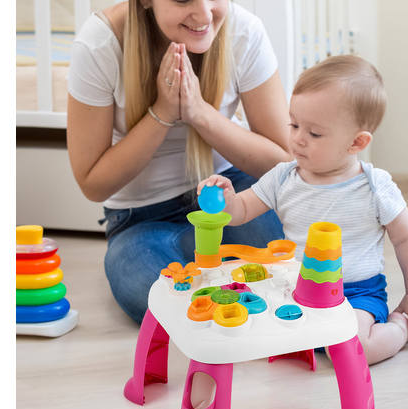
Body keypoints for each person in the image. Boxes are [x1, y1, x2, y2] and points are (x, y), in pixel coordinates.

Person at [66, 0, 292, 324]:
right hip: (140, 220)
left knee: (291, 263)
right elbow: (92, 183)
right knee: (150, 295)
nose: (204, 15)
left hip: (231, 194)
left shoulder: (244, 31)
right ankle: (230, 301)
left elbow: (282, 162)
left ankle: (229, 298)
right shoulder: (99, 44)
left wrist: (200, 113)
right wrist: (162, 113)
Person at [198, 55, 408, 365]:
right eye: (294, 124)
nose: (297, 139)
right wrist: (228, 198)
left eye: (314, 133)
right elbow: (241, 211)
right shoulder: (283, 177)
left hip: (356, 293)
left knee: (354, 351)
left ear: (356, 142)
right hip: (296, 287)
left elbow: (407, 240)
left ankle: (398, 329)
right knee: (259, 333)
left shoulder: (375, 187)